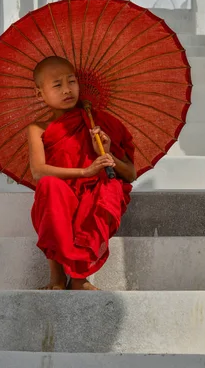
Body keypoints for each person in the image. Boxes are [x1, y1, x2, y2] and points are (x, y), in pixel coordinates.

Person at [27, 55, 136, 291]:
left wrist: (107, 153)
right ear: (40, 94)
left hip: (92, 191)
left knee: (109, 187)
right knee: (48, 186)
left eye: (72, 81)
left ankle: (79, 278)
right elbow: (38, 171)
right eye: (57, 85)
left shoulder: (99, 123)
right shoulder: (38, 129)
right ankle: (56, 277)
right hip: (62, 194)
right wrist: (86, 170)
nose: (67, 90)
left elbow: (130, 174)